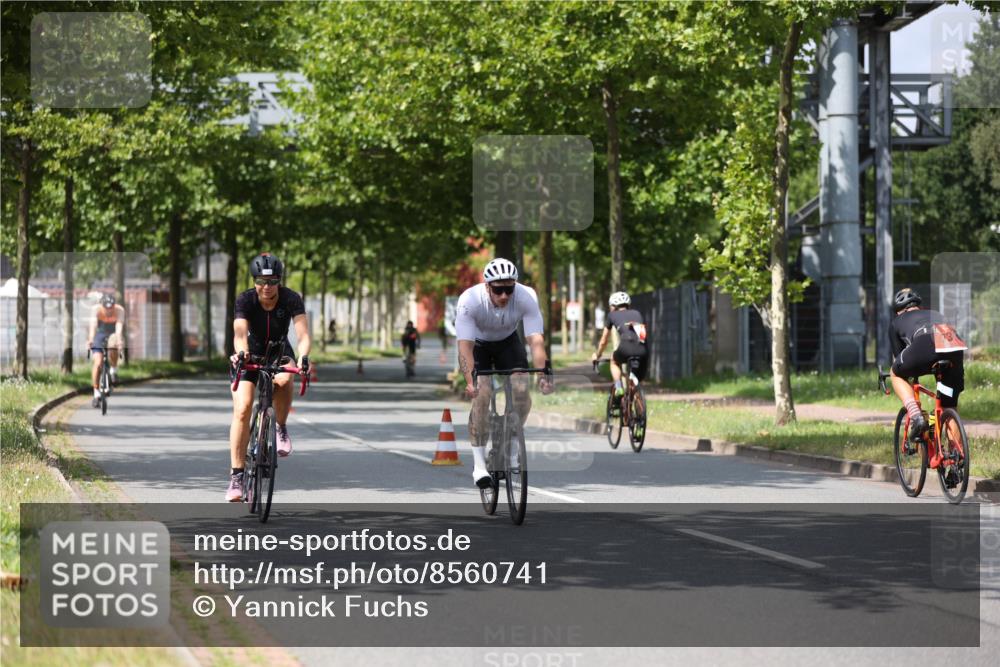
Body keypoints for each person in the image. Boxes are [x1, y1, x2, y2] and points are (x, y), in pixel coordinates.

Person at [455, 258, 553, 489]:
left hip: (508, 343)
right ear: (487, 286)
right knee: (482, 394)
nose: (504, 296)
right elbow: (465, 348)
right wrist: (470, 382)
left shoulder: (526, 296)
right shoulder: (470, 301)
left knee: (521, 390)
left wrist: (543, 376)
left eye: (509, 289)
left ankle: (510, 444)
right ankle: (479, 466)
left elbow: (536, 341)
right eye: (498, 290)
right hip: (477, 345)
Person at [226, 253, 311, 501]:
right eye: (261, 282)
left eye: (272, 282)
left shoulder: (291, 298)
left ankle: (280, 427)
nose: (266, 287)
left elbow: (303, 334)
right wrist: (241, 353)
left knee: (285, 378)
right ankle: (237, 477)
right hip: (249, 353)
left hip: (278, 350)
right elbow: (240, 332)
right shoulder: (245, 299)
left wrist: (304, 357)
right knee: (242, 409)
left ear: (279, 281)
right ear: (254, 282)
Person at [888, 287, 967, 448]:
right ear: (919, 306)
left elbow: (900, 359)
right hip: (953, 345)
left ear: (898, 312)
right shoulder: (935, 313)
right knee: (948, 404)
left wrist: (910, 376)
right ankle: (956, 463)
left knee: (895, 373)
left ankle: (916, 417)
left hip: (925, 342)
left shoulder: (896, 322)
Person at [591, 291, 649, 398]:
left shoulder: (612, 315)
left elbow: (604, 340)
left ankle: (618, 387)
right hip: (643, 349)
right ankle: (635, 399)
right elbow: (642, 333)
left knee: (614, 360)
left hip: (625, 347)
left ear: (613, 306)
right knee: (635, 379)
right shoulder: (637, 313)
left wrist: (598, 354)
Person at [86, 293, 125, 407]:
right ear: (101, 305)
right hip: (100, 333)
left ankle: (113, 369)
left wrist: (119, 340)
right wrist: (91, 339)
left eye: (111, 307)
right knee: (98, 363)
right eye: (106, 308)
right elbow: (93, 326)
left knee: (113, 345)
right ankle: (96, 392)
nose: (108, 310)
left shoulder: (119, 310)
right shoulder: (96, 310)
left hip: (113, 333)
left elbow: (119, 328)